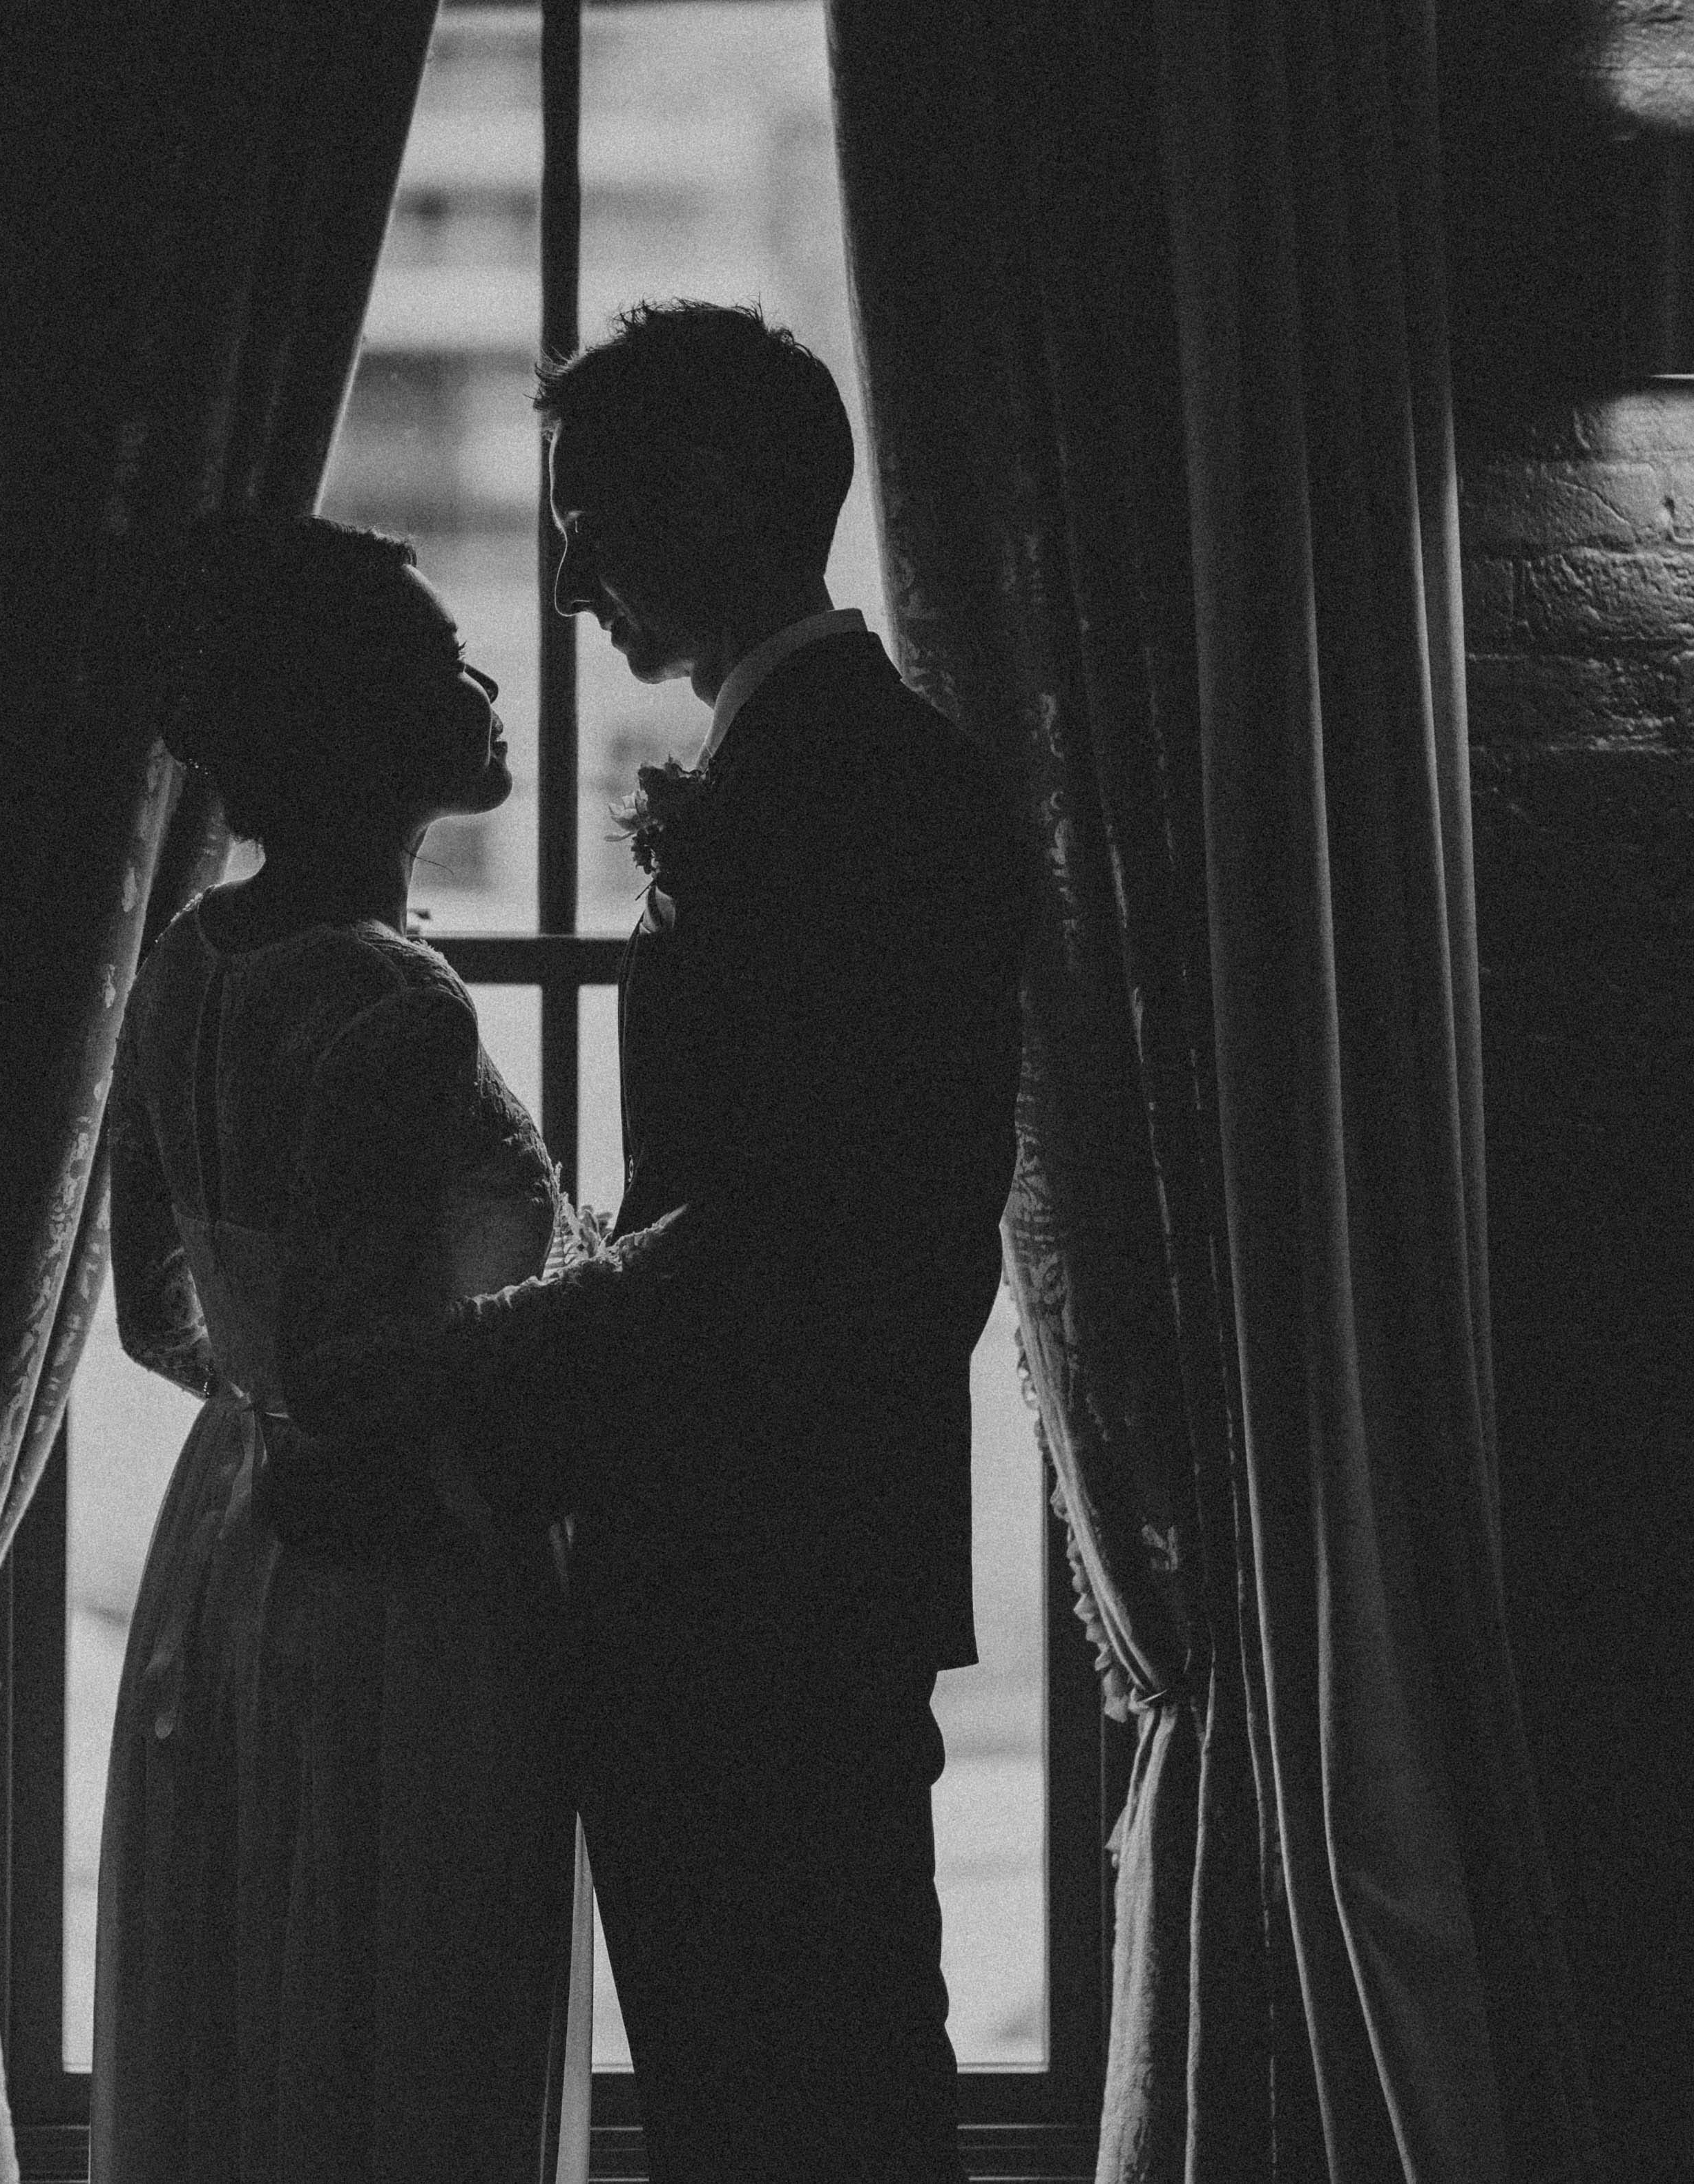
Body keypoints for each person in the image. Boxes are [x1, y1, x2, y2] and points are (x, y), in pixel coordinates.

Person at [411, 301, 1032, 2184]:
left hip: (763, 1557)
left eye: (589, 519)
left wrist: (487, 1379)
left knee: (796, 2083)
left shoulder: (853, 786)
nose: (569, 575)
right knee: (776, 2080)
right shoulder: (836, 767)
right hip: (771, 1546)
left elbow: (815, 1220)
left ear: (708, 495)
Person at [88, 514, 601, 2184]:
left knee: (254, 1994)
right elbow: (359, 1371)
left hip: (226, 1547)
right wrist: (589, 1317)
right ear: (369, 719)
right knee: (399, 2012)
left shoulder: (186, 961)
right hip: (395, 1579)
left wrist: (261, 1416)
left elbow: (157, 1315)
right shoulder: (399, 1004)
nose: (485, 687)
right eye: (447, 658)